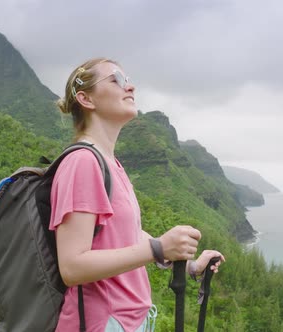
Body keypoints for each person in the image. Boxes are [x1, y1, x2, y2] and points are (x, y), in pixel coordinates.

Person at [51, 57, 225, 332]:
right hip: (101, 323)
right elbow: (72, 267)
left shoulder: (110, 163)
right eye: (117, 79)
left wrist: (186, 264)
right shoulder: (83, 162)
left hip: (130, 322)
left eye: (129, 79)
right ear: (86, 99)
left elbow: (126, 235)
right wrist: (158, 248)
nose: (130, 86)